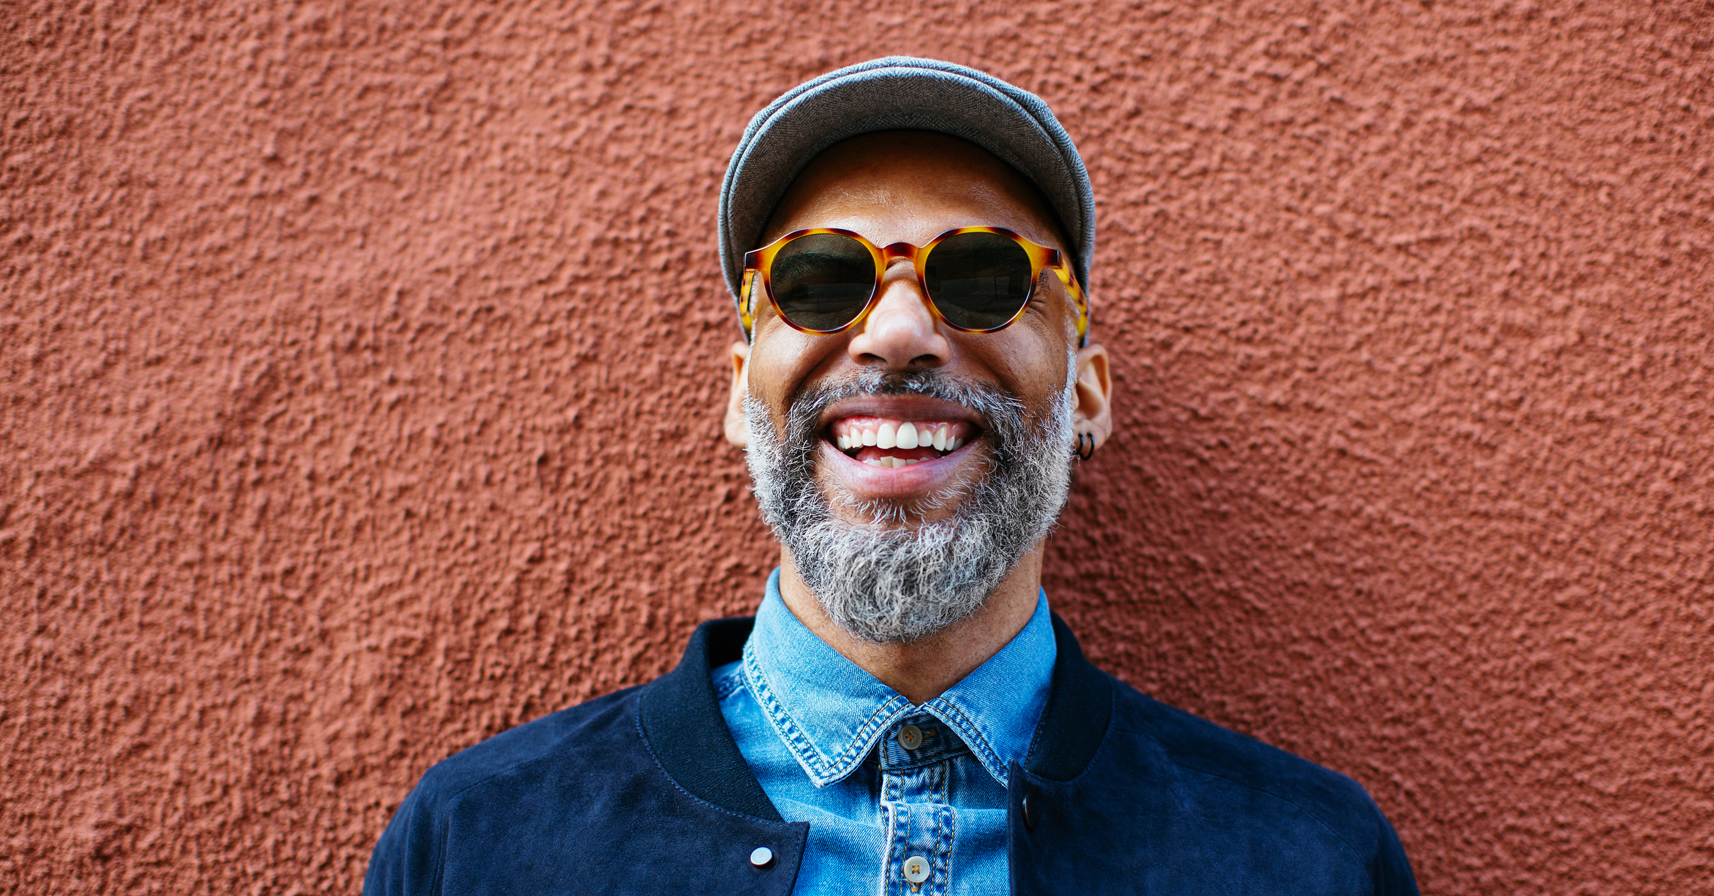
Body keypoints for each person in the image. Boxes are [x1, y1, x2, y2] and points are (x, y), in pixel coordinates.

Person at [364, 57, 1419, 896]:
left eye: (985, 274)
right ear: (740, 392)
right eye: (820, 279)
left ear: (1089, 395)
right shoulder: (480, 839)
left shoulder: (1308, 856)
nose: (899, 333)